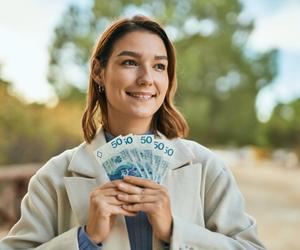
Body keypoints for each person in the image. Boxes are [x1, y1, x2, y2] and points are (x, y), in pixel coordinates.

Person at [0, 15, 266, 250]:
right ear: (98, 72)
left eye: (159, 66)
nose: (147, 78)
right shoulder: (52, 177)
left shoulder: (207, 167)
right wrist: (85, 240)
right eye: (130, 62)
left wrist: (175, 232)